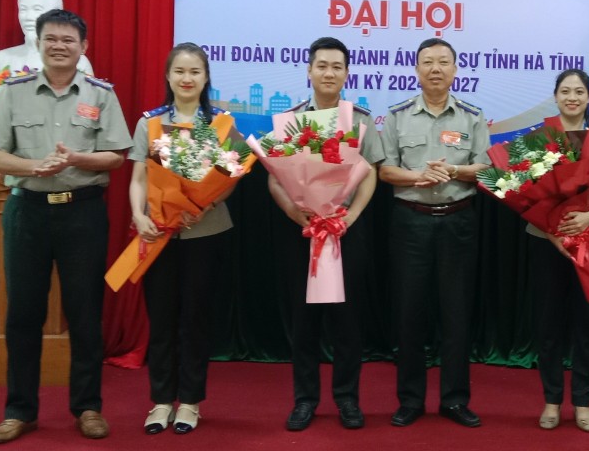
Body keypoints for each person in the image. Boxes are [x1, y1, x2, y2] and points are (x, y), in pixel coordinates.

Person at [0, 9, 132, 444]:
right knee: (23, 314)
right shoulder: (13, 92)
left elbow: (116, 156)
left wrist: (76, 159)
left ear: (84, 47)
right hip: (27, 213)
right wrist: (33, 167)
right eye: (52, 39)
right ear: (39, 43)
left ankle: (88, 407)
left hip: (83, 213)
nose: (60, 46)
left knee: (85, 313)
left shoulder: (100, 94)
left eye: (68, 40)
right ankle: (19, 411)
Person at [269, 37, 384, 432]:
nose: (329, 73)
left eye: (337, 66)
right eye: (322, 65)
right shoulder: (290, 121)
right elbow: (275, 179)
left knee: (348, 319)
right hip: (301, 231)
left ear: (347, 73)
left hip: (346, 230)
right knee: (303, 320)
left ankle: (347, 398)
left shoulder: (360, 120)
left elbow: (370, 174)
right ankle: (305, 400)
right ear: (309, 70)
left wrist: (351, 216)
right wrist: (293, 211)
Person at [129, 43, 243, 435]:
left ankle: (190, 402)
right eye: (179, 71)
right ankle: (161, 401)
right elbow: (138, 178)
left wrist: (205, 204)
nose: (187, 78)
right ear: (168, 76)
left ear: (206, 77)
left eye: (195, 71)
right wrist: (138, 214)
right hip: (159, 232)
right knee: (161, 318)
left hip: (205, 232)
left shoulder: (222, 124)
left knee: (196, 318)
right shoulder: (150, 123)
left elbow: (231, 177)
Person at [379, 38, 490, 428]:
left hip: (459, 221)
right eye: (428, 62)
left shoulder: (472, 117)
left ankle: (455, 400)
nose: (436, 69)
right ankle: (410, 400)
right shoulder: (398, 116)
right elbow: (385, 170)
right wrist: (418, 176)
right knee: (409, 312)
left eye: (444, 62)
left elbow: (487, 169)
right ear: (416, 70)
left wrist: (455, 171)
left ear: (455, 70)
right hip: (411, 221)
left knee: (456, 312)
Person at [527, 69, 589, 432]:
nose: (572, 97)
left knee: (588, 324)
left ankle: (583, 401)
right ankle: (552, 400)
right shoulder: (538, 138)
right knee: (549, 324)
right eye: (565, 91)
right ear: (555, 96)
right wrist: (553, 231)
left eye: (579, 92)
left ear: (588, 98)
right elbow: (524, 192)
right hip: (546, 241)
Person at [0, 0, 94, 75]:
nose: (28, 17)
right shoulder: (1, 58)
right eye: (23, 9)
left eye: (37, 9)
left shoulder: (78, 61)